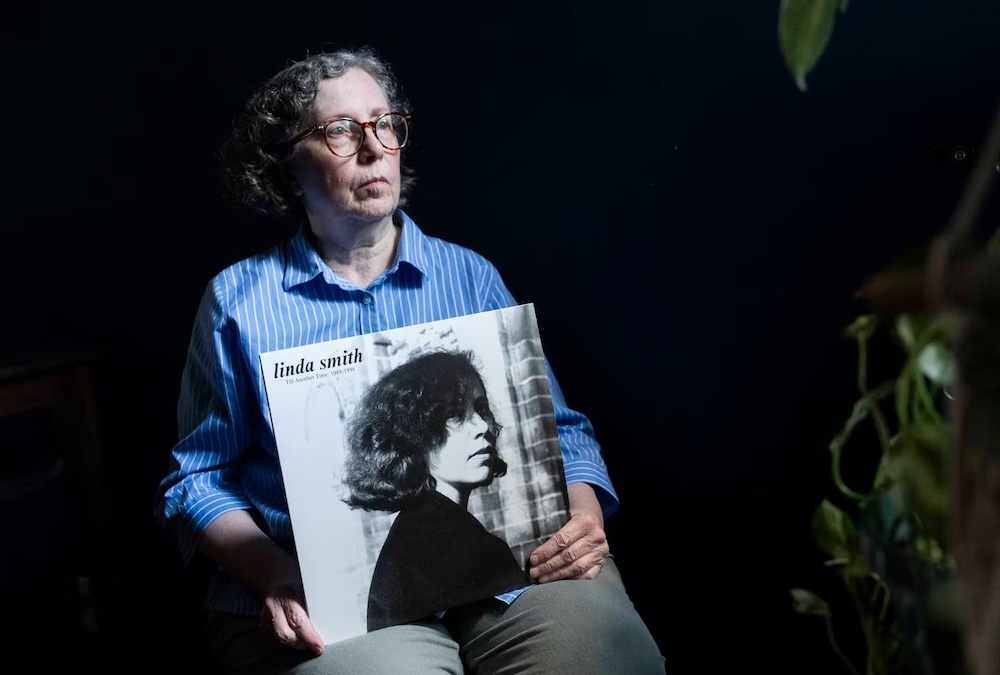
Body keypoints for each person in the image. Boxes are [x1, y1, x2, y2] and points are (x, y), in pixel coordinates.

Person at [153, 45, 666, 674]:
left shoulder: (469, 274)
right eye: (341, 130)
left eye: (385, 124)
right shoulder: (238, 301)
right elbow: (198, 478)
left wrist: (583, 513)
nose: (374, 148)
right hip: (321, 596)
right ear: (288, 164)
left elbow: (560, 428)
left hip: (513, 573)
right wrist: (273, 573)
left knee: (598, 654)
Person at [340, 349, 532, 633]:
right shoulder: (440, 540)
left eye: (481, 409)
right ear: (414, 436)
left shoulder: (425, 527)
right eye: (454, 415)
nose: (482, 427)